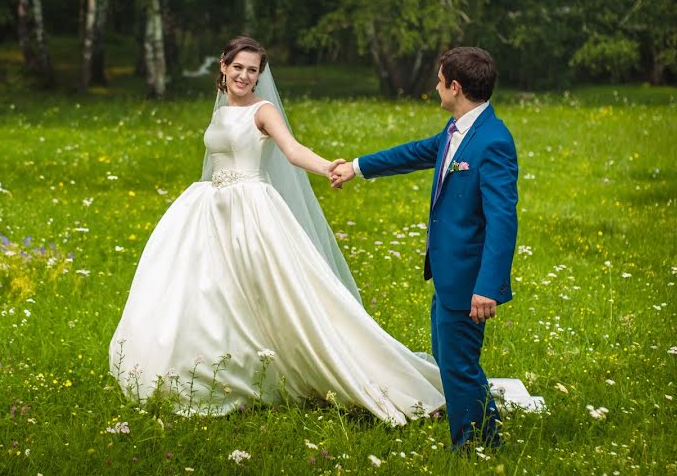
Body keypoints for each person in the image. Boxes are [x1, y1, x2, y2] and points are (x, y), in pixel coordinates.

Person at [109, 36, 445, 424]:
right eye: (238, 67)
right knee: (207, 292)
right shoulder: (219, 111)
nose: (244, 75)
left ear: (259, 76)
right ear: (223, 66)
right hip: (209, 208)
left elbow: (292, 149)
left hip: (250, 210)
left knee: (270, 292)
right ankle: (213, 370)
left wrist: (328, 168)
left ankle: (298, 370)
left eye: (252, 70)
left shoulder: (262, 111)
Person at [330, 46, 518, 451]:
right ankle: (486, 433)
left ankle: (472, 448)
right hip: (448, 273)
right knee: (450, 358)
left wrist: (487, 286)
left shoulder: (492, 142)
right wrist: (356, 167)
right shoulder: (456, 130)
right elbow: (412, 153)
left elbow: (503, 222)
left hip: (469, 280)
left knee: (458, 364)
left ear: (456, 86)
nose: (434, 87)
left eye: (439, 80)